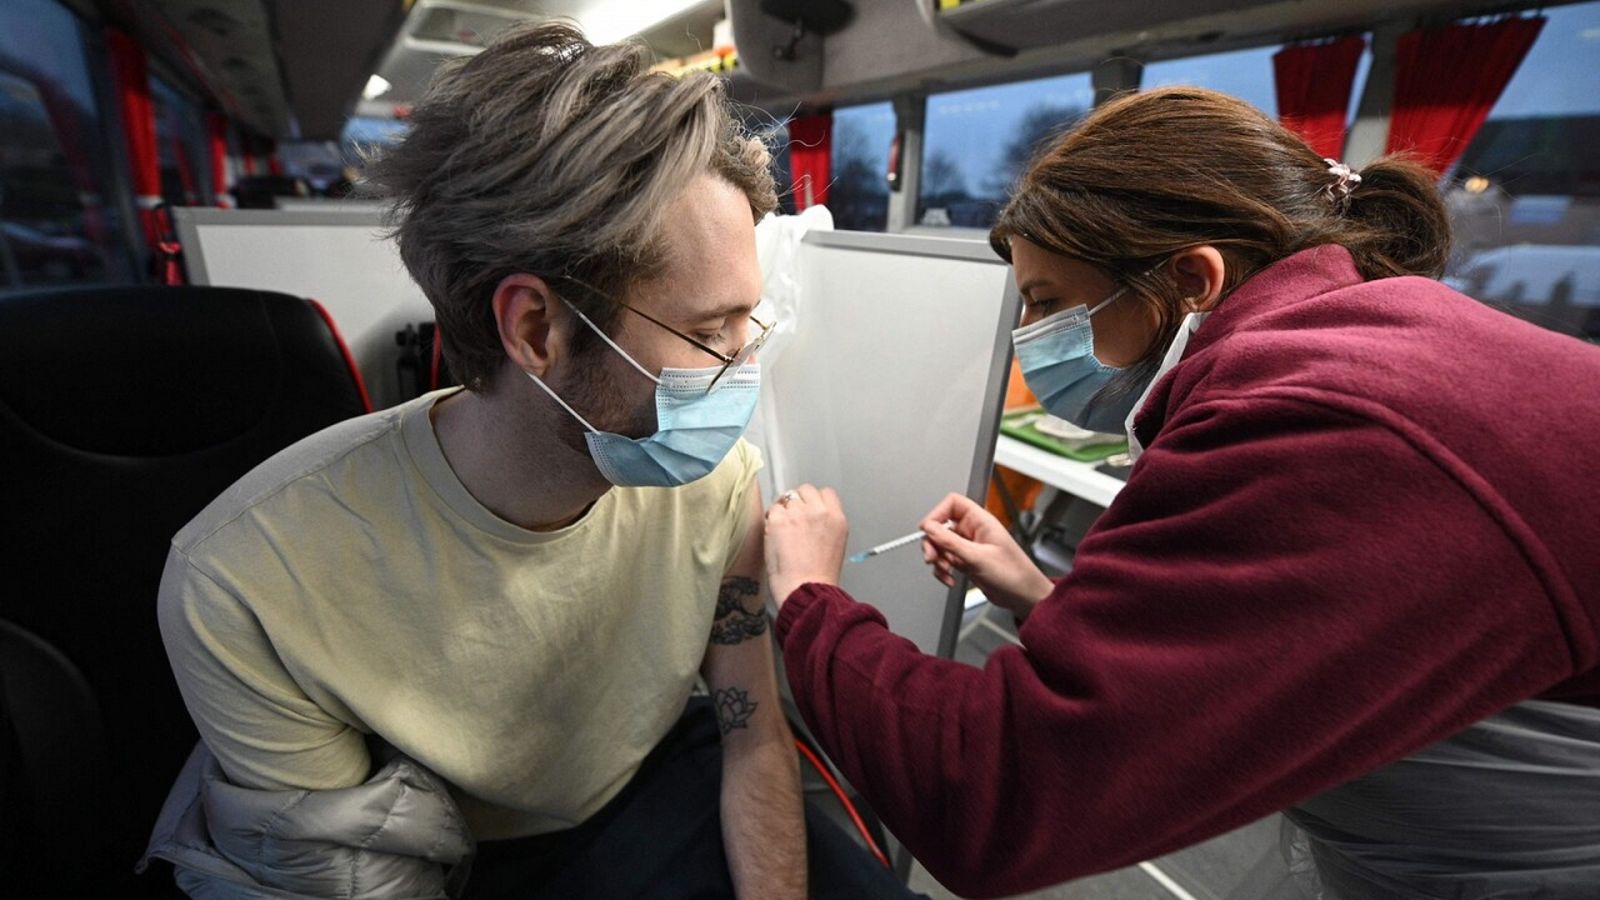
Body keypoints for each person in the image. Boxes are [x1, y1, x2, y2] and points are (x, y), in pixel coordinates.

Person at [763, 87, 1600, 899]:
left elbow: (1000, 792)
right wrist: (1042, 597)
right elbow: (1269, 646)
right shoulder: (1364, 337)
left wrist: (809, 598)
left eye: (1049, 306)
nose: (1027, 345)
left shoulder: (1316, 422)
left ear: (1192, 280)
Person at [141, 23, 911, 899]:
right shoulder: (245, 579)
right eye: (707, 333)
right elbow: (347, 874)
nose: (745, 364)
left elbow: (752, 735)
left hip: (657, 782)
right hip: (450, 851)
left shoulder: (718, 484)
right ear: (536, 330)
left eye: (748, 322)